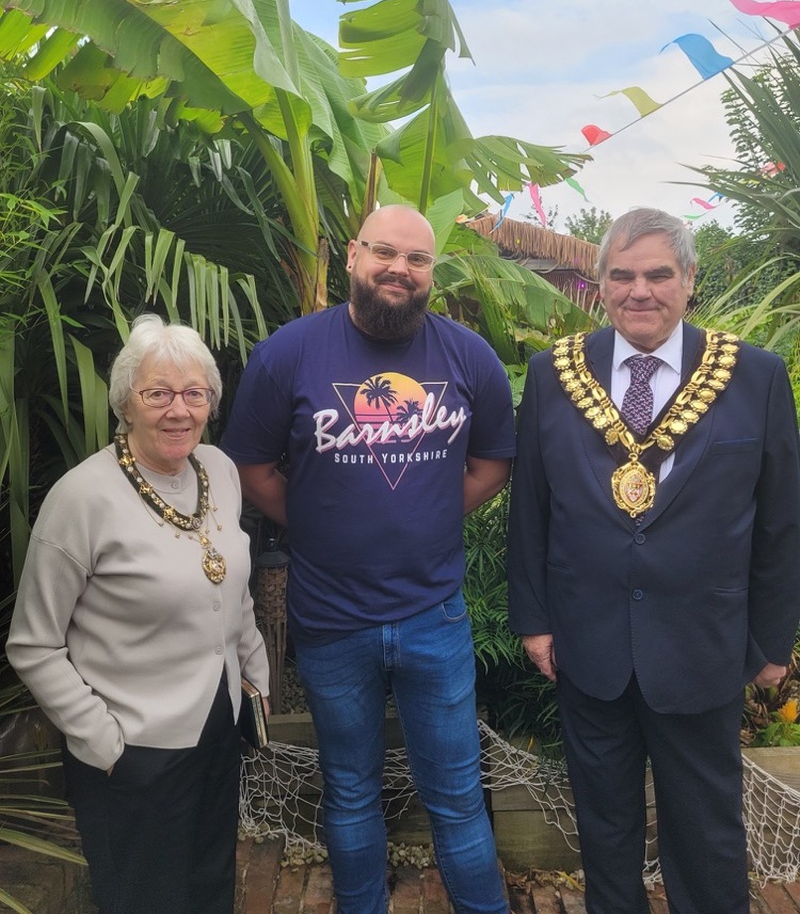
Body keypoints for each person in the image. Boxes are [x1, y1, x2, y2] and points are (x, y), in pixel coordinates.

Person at [222, 204, 515, 914]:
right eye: (385, 251)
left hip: (433, 613)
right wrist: (318, 521)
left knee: (456, 793)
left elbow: (493, 462)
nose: (399, 268)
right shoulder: (288, 354)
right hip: (330, 618)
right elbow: (252, 466)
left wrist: (432, 516)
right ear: (352, 255)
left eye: (417, 259)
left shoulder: (467, 356)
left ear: (431, 274)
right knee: (349, 790)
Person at [507, 207, 800, 914]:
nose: (641, 290)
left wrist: (772, 638)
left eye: (659, 274)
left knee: (705, 828)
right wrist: (535, 620)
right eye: (623, 275)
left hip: (704, 645)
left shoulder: (753, 376)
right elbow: (532, 508)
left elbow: (783, 520)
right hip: (589, 641)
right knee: (604, 825)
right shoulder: (555, 375)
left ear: (689, 279)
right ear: (600, 283)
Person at [7, 314, 270, 914]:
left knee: (209, 887)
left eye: (194, 393)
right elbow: (33, 645)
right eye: (158, 393)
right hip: (131, 750)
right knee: (144, 899)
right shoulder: (81, 498)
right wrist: (103, 739)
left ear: (211, 401)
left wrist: (254, 676)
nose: (178, 410)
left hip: (217, 728)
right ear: (126, 401)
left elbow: (234, 584)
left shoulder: (220, 472)